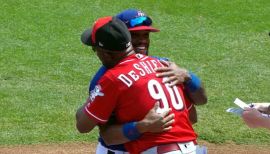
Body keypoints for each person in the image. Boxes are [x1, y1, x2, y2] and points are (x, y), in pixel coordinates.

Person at [83, 9, 207, 153]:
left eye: (146, 35)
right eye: (135, 35)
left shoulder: (165, 68)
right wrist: (143, 126)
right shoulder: (106, 78)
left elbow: (196, 109)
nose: (142, 40)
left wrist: (188, 77)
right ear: (121, 37)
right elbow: (108, 136)